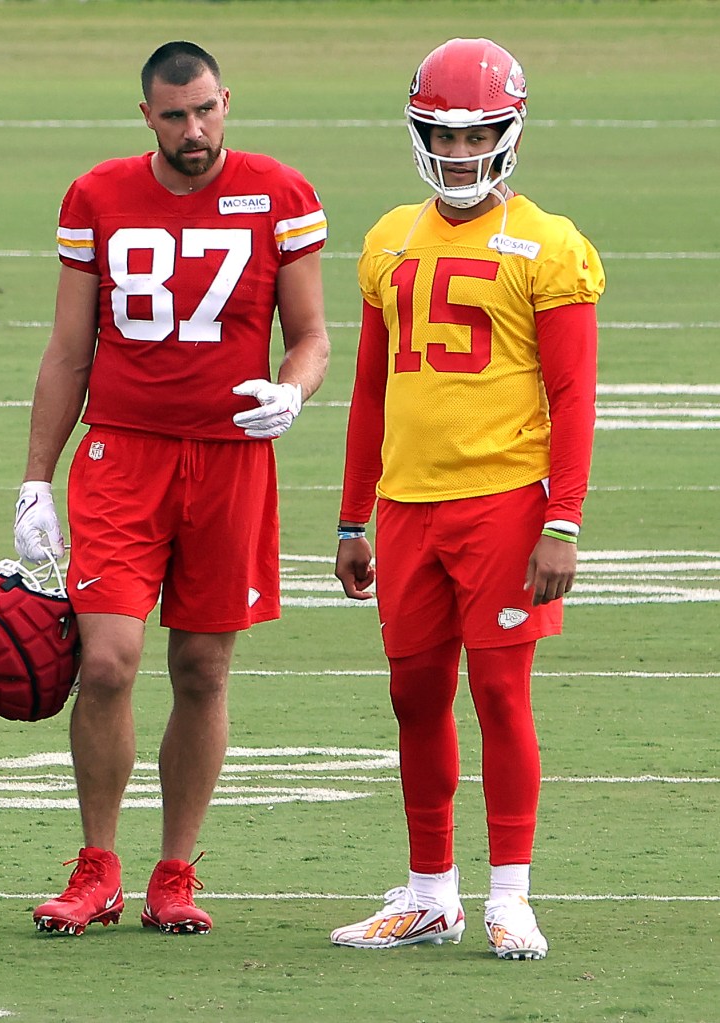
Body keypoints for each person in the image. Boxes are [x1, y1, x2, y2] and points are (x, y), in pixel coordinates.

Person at [13, 40, 329, 937]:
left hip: (230, 461)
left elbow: (311, 335)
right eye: (175, 115)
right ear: (145, 117)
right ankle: (97, 864)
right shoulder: (98, 196)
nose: (196, 132)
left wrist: (290, 389)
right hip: (123, 454)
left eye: (207, 111)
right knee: (107, 660)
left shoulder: (281, 193)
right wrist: (37, 476)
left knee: (201, 667)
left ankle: (175, 871)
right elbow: (70, 349)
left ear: (227, 100)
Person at [330, 38, 603, 959]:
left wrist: (561, 518)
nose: (457, 153)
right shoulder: (388, 237)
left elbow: (573, 394)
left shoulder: (549, 243)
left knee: (497, 689)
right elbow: (371, 390)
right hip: (406, 506)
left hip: (502, 502)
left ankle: (511, 893)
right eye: (441, 136)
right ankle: (429, 891)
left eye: (475, 134)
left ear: (511, 131)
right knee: (413, 694)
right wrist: (351, 515)